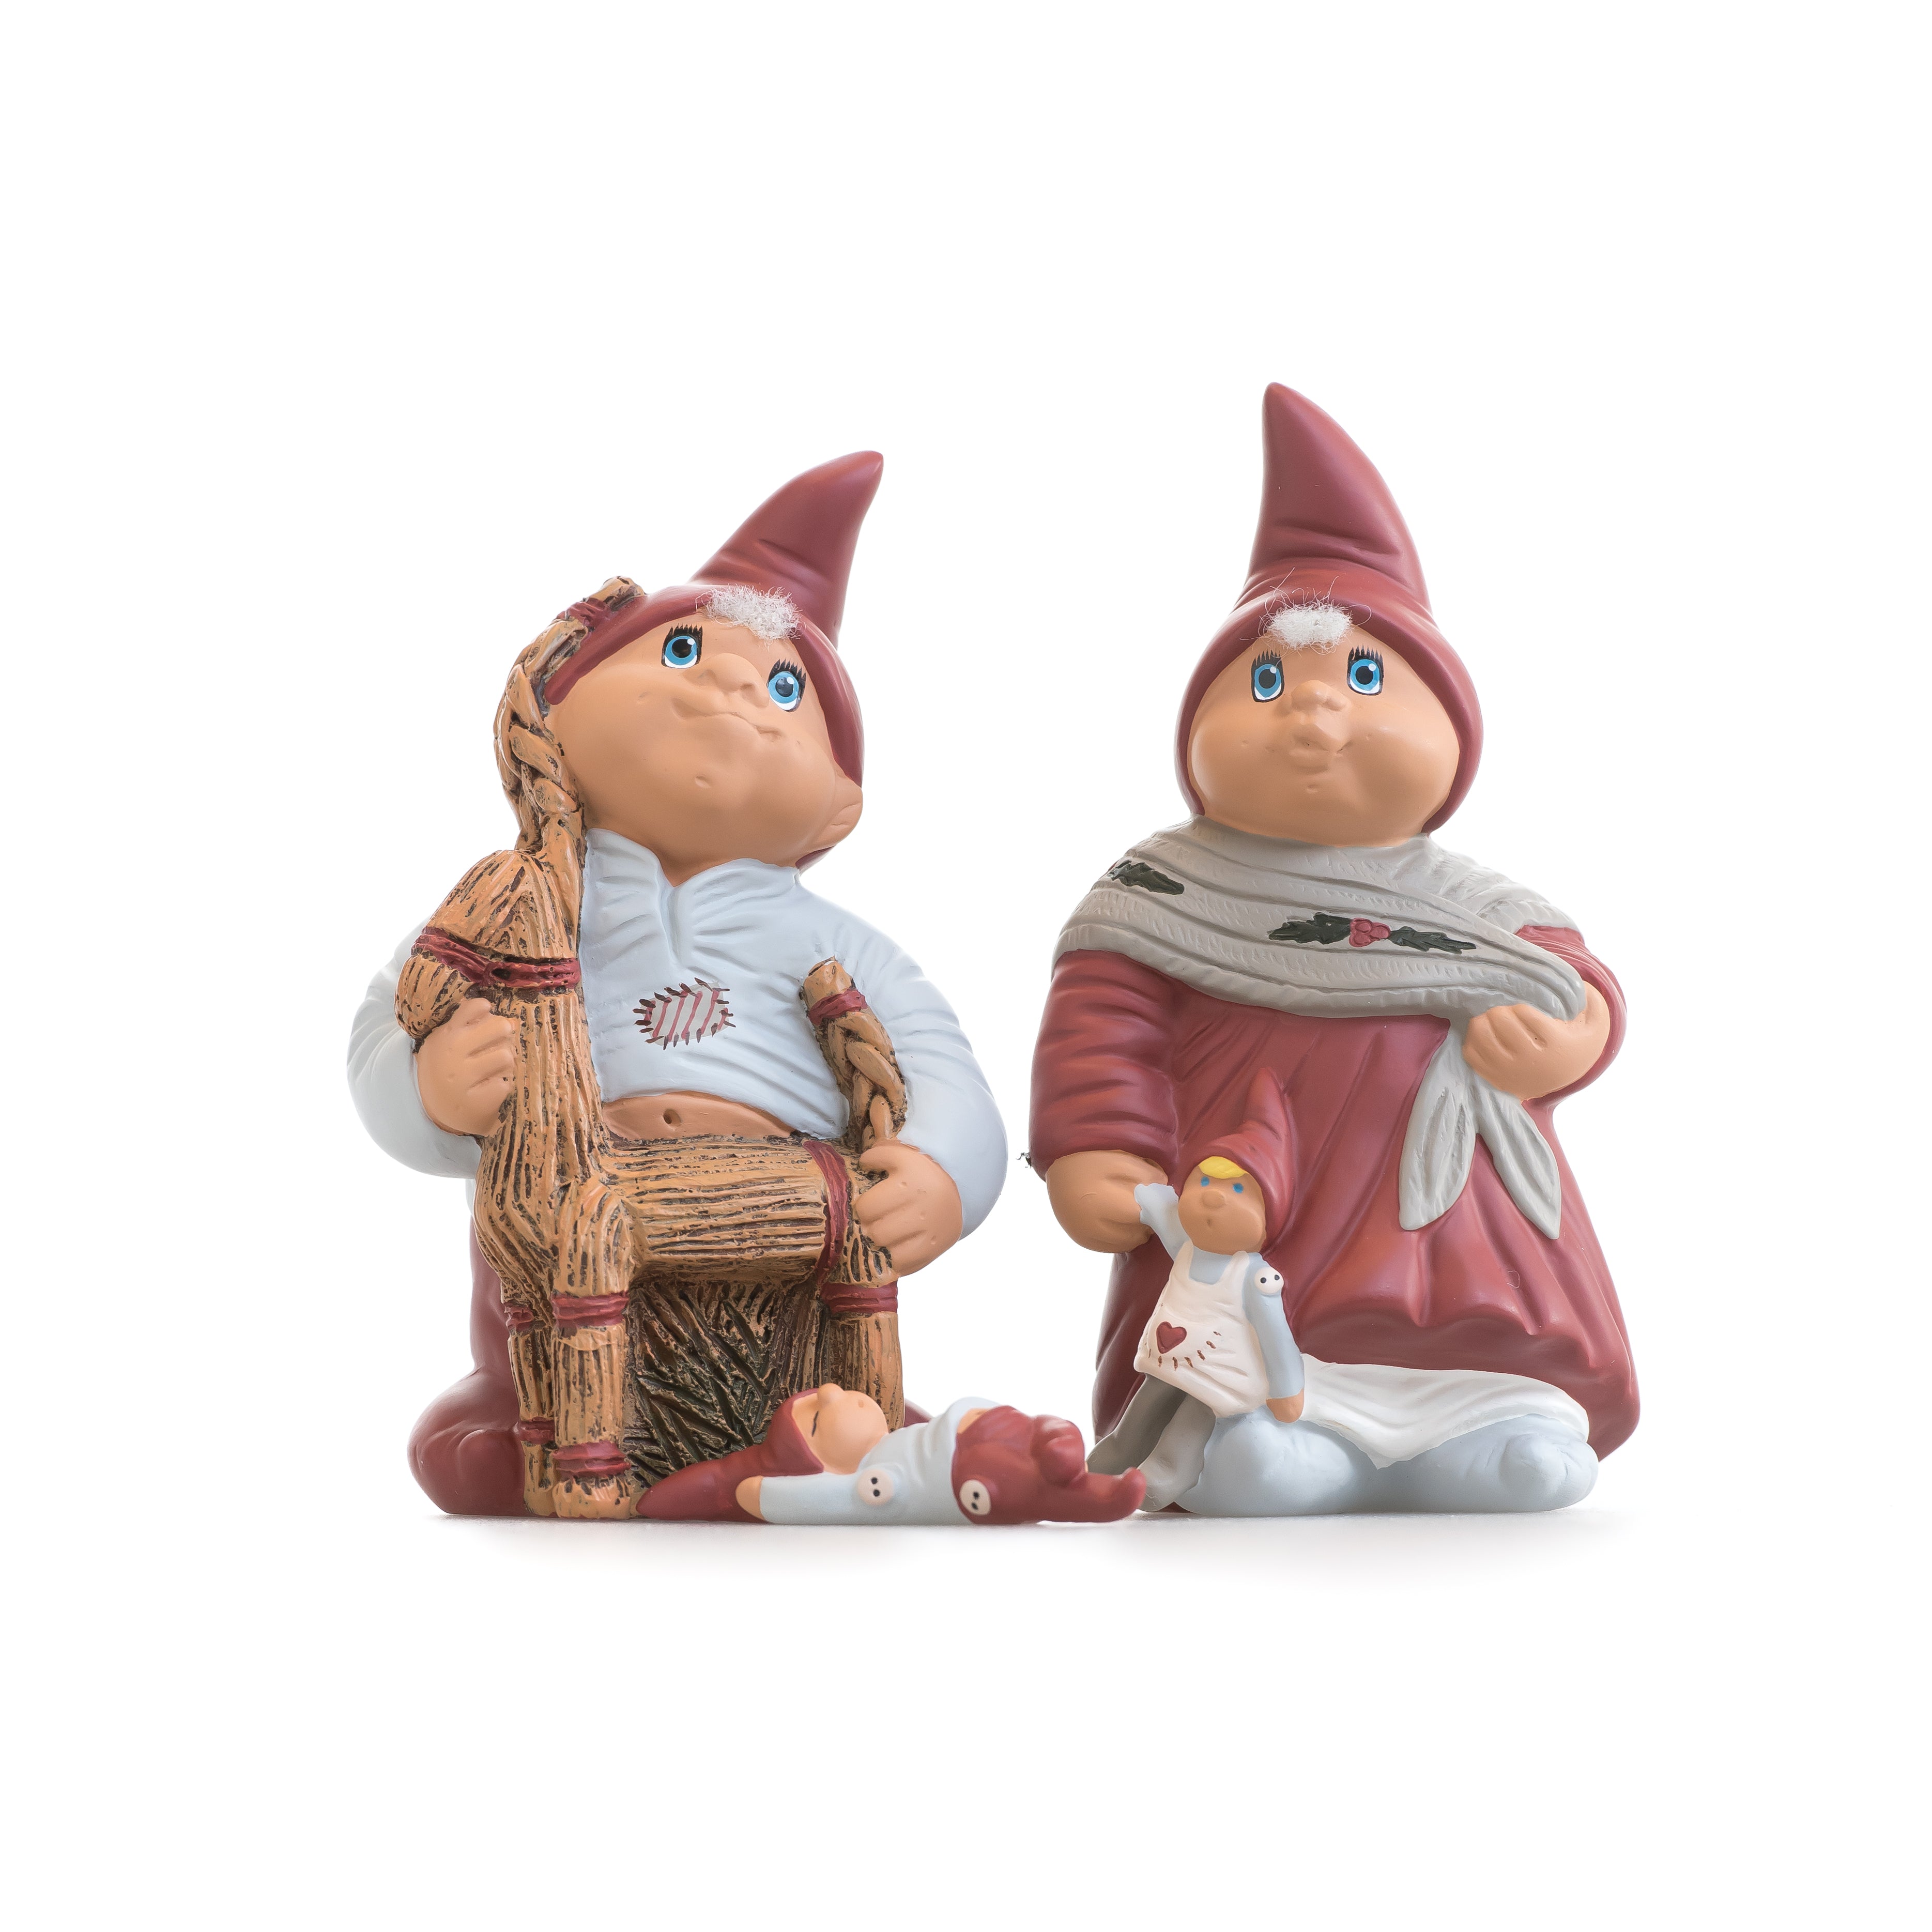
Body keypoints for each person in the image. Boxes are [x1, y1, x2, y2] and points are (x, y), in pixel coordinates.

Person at [349, 454, 1005, 1513]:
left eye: (785, 688)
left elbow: (943, 1070)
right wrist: (425, 1088)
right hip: (569, 1210)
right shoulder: (520, 902)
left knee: (829, 1369)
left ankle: (814, 1424)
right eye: (685, 648)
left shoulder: (838, 941)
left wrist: (942, 1172)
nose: (734, 687)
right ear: (560, 710)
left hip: (785, 1235)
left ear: (839, 806)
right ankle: (545, 1416)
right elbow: (389, 1018)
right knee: (492, 1392)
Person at [1033, 386, 1632, 1514]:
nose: (1311, 714)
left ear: (1452, 729)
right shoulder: (1160, 891)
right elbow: (1103, 1026)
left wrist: (1568, 1036)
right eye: (1266, 682)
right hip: (1249, 1188)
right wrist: (1095, 1147)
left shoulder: (1478, 905)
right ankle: (1261, 1440)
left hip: (1446, 1224)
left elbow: (1572, 983)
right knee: (1237, 1338)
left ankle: (1490, 1421)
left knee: (1471, 1319)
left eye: (1363, 677)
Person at [637, 1384, 1146, 1526]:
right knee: (1028, 1480)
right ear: (822, 1466)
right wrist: (763, 1495)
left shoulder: (895, 1434)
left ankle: (1062, 1448)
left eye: (824, 1391)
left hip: (985, 1424)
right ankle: (1091, 1491)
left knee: (1045, 1431)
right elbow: (784, 1497)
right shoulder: (861, 1485)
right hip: (968, 1474)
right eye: (816, 1420)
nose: (832, 1392)